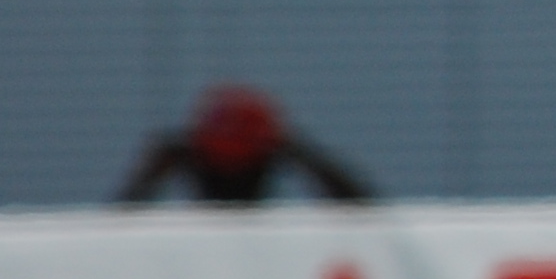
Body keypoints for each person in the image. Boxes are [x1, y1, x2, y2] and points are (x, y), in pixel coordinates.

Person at [116, 85, 376, 204]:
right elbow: (118, 222)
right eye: (220, 166)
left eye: (241, 167)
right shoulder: (180, 153)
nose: (230, 176)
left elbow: (365, 208)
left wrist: (301, 155)